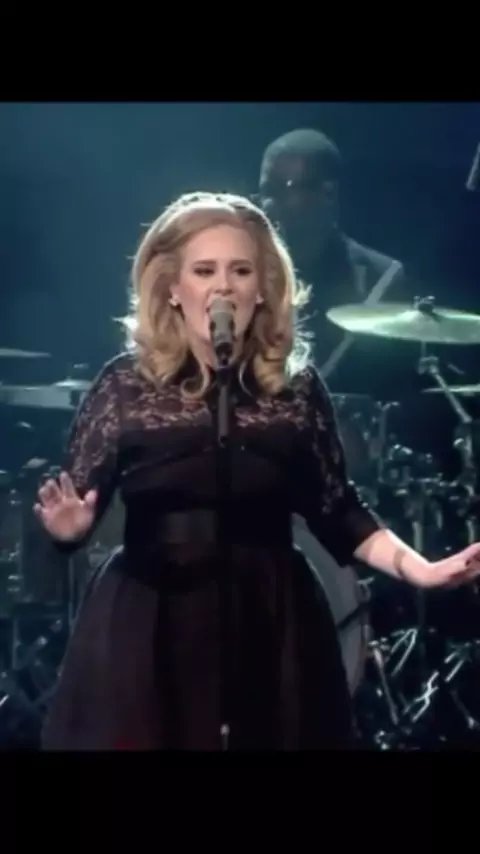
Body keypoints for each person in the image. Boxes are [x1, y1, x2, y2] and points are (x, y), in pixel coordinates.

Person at [34, 191, 480, 751]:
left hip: (270, 615)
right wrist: (69, 530)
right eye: (204, 270)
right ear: (172, 289)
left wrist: (422, 569)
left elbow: (337, 510)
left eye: (240, 270)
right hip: (150, 616)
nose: (223, 287)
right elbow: (77, 503)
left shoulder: (295, 391)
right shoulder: (124, 386)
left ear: (262, 289)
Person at [258, 128, 411, 396]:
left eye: (284, 189)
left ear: (328, 193)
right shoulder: (244, 272)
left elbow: (393, 389)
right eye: (265, 191)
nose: (268, 204)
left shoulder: (380, 278)